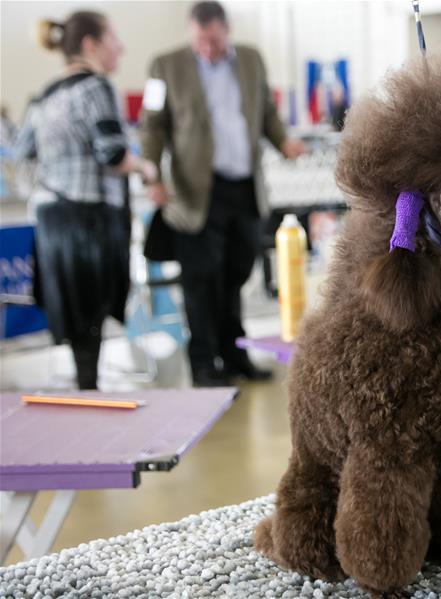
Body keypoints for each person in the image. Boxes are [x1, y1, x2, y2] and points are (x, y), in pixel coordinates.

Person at [140, 1, 304, 387]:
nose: (207, 49)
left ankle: (233, 355)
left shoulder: (251, 60)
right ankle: (202, 362)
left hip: (244, 188)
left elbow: (266, 114)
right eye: (200, 41)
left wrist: (284, 143)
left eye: (213, 41)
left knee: (236, 273)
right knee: (200, 279)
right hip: (194, 194)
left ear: (226, 31)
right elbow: (152, 127)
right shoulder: (163, 66)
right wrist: (152, 176)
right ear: (190, 34)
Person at [14, 11, 158, 390]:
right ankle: (89, 397)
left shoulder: (43, 96)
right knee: (91, 318)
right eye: (114, 40)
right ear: (91, 44)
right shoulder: (96, 86)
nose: (121, 48)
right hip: (86, 219)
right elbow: (112, 155)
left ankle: (85, 389)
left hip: (50, 219)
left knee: (76, 324)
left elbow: (21, 151)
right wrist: (147, 168)